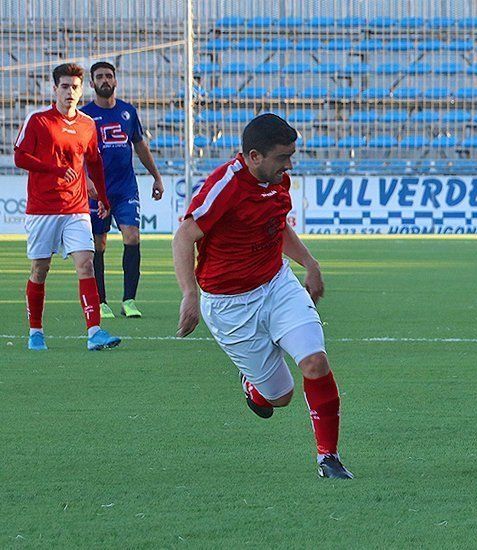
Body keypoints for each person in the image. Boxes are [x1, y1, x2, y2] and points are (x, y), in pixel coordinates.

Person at [172, 113, 353, 480]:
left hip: (277, 285)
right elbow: (184, 236)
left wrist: (309, 263)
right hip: (229, 305)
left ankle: (328, 457)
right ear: (254, 156)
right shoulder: (225, 186)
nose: (289, 164)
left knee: (315, 362)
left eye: (291, 155)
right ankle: (253, 384)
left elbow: (276, 224)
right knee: (280, 397)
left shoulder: (278, 181)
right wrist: (190, 293)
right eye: (283, 157)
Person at [14, 63, 122, 351]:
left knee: (86, 263)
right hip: (43, 209)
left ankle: (94, 331)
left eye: (75, 87)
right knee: (40, 269)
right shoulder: (37, 120)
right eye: (64, 86)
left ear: (81, 88)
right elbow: (20, 157)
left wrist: (103, 197)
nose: (70, 92)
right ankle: (35, 331)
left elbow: (95, 162)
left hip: (76, 208)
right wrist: (54, 169)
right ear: (55, 89)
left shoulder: (88, 124)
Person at [81, 61, 164, 319]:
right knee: (99, 244)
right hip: (97, 190)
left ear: (115, 81)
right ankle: (101, 301)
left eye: (109, 76)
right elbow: (78, 153)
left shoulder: (128, 112)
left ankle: (129, 300)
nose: (105, 80)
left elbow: (140, 147)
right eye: (99, 77)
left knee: (132, 237)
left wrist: (156, 177)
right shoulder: (84, 115)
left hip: (126, 188)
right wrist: (87, 181)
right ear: (92, 83)